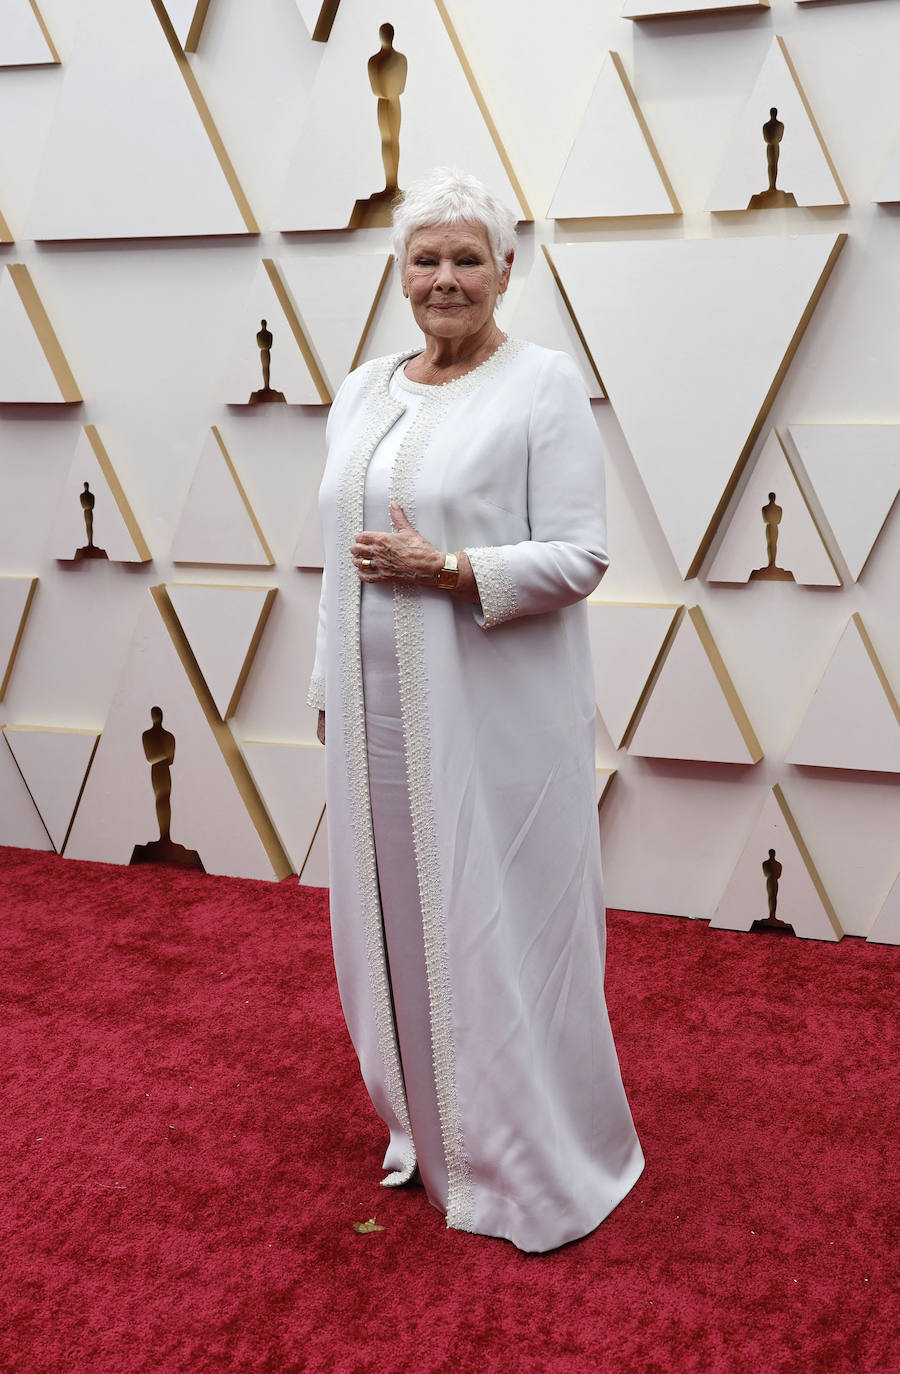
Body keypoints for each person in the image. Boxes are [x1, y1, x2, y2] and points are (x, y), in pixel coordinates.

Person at [308, 167, 643, 1252]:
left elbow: (585, 553)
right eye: (424, 259)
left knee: (496, 916)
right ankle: (430, 1129)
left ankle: (520, 1155)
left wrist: (450, 568)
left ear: (507, 269)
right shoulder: (360, 388)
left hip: (492, 720)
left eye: (466, 258)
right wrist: (326, 686)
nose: (444, 278)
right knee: (396, 918)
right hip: (374, 726)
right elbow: (331, 561)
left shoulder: (544, 385)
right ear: (398, 273)